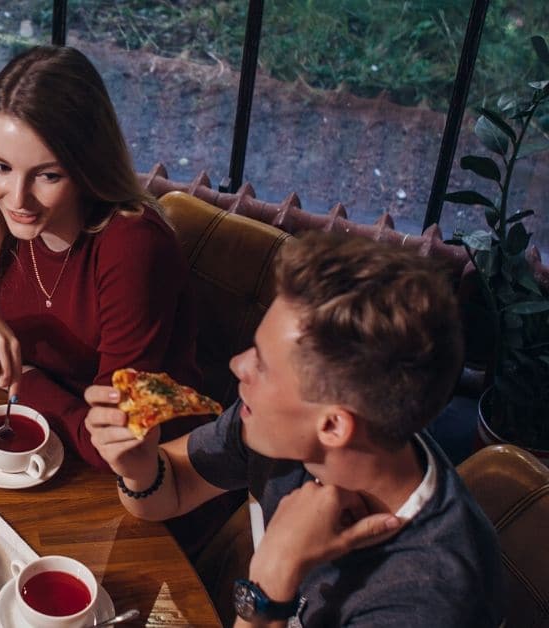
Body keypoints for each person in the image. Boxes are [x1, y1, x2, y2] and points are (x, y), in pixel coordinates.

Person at [86, 232, 503, 626]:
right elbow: (173, 486)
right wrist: (139, 467)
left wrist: (273, 577)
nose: (237, 366)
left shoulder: (429, 599)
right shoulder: (285, 433)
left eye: (262, 365)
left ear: (334, 425)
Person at [0, 45, 200, 469]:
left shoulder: (133, 245)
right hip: (47, 443)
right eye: (0, 167)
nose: (17, 199)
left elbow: (114, 446)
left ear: (88, 167)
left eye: (48, 175)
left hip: (153, 479)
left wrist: (24, 381)